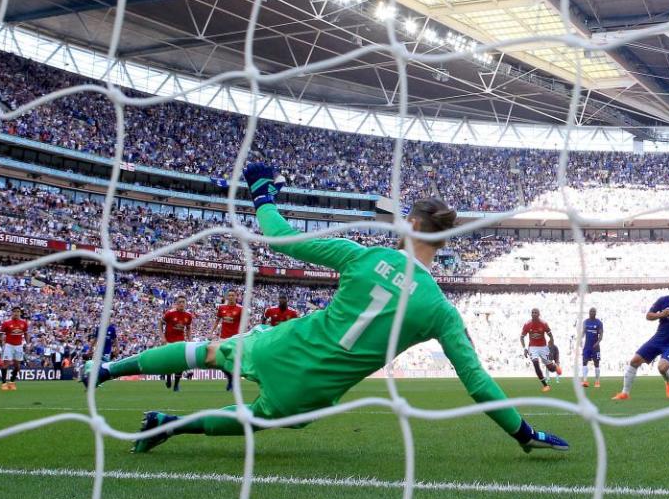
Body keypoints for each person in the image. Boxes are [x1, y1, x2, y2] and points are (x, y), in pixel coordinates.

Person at [83, 163, 568, 455]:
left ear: (412, 223)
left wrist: (262, 193)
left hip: (286, 344)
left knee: (209, 352)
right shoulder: (440, 311)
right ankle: (170, 423)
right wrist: (523, 432)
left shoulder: (363, 256)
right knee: (263, 418)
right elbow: (477, 383)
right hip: (313, 387)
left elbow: (279, 235)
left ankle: (107, 368)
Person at [521, 309, 559, 392]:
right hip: (532, 347)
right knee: (535, 363)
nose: (534, 314)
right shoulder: (527, 324)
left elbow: (550, 335)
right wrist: (524, 349)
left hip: (543, 347)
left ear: (539, 314)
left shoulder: (544, 324)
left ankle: (556, 367)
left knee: (551, 369)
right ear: (531, 314)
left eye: (535, 312)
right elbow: (522, 337)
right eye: (532, 312)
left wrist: (551, 341)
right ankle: (545, 385)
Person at [212, 290, 243, 390]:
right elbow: (217, 320)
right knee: (220, 361)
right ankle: (230, 379)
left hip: (235, 339)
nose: (230, 297)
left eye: (232, 295)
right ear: (226, 297)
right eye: (229, 295)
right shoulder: (222, 308)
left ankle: (233, 382)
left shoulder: (240, 309)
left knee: (233, 361)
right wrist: (211, 331)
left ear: (236, 296)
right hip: (223, 338)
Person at [0, 306, 28, 391]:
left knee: (17, 366)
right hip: (9, 345)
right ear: (12, 313)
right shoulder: (6, 323)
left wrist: (28, 343)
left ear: (20, 313)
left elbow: (26, 334)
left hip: (19, 346)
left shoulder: (24, 323)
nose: (16, 313)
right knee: (6, 364)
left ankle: (12, 382)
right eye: (14, 311)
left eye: (18, 311)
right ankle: (4, 383)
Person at [161, 296, 193, 392]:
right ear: (176, 303)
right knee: (169, 362)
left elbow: (188, 328)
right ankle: (168, 378)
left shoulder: (188, 315)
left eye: (183, 302)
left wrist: (189, 339)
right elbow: (160, 323)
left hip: (181, 341)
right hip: (169, 341)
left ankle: (176, 385)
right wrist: (162, 337)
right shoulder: (170, 313)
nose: (182, 304)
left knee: (180, 363)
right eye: (180, 302)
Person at [580, 308, 602, 388]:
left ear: (595, 313)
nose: (592, 313)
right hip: (587, 346)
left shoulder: (599, 322)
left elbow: (601, 335)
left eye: (594, 312)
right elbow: (583, 332)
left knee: (596, 363)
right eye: (591, 311)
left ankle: (597, 382)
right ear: (589, 313)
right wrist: (580, 339)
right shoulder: (585, 322)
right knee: (584, 362)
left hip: (595, 347)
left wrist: (597, 343)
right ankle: (585, 381)